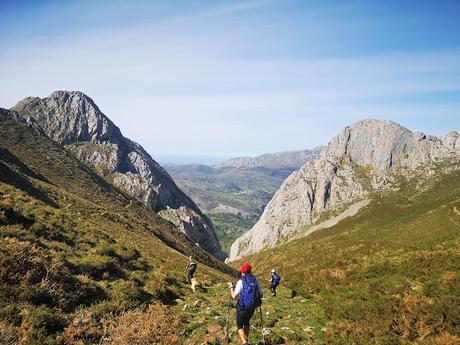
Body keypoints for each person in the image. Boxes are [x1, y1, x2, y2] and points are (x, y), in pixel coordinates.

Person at [228, 263, 263, 345]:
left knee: (239, 325)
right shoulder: (255, 280)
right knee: (246, 322)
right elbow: (261, 294)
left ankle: (244, 343)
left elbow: (234, 296)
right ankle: (246, 340)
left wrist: (231, 288)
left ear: (243, 272)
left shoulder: (241, 281)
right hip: (252, 306)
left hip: (242, 306)